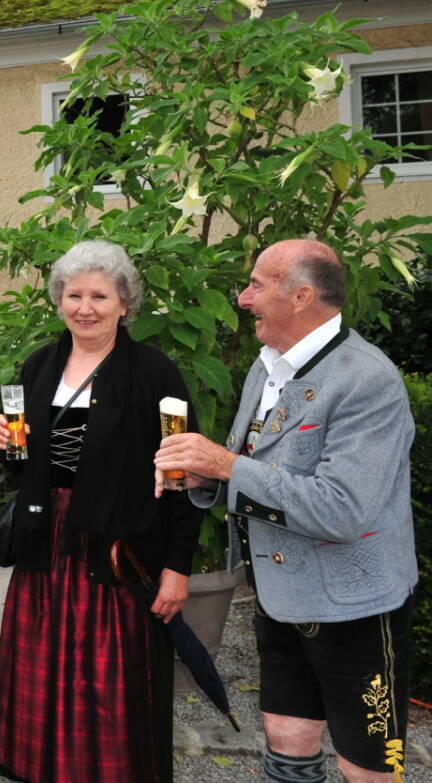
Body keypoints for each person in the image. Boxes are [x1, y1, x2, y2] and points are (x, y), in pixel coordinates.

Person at [155, 239, 416, 783]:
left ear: (301, 296)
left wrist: (226, 465)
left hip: (354, 605)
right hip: (281, 595)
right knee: (286, 733)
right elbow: (256, 472)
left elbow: (343, 510)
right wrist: (208, 478)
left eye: (256, 284)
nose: (243, 297)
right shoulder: (266, 365)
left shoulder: (367, 379)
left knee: (367, 763)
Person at [0, 240, 200, 783]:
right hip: (47, 539)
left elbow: (182, 479)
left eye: (100, 296)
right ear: (59, 299)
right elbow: (27, 468)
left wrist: (178, 568)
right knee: (44, 665)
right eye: (74, 294)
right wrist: (10, 449)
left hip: (115, 543)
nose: (85, 307)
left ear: (124, 303)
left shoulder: (154, 374)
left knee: (107, 674)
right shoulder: (40, 364)